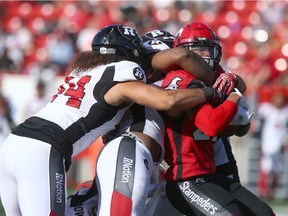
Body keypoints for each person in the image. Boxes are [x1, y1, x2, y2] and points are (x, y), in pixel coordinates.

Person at [0, 24, 224, 216]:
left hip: (12, 144)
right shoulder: (124, 76)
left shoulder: (84, 71)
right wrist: (212, 91)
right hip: (44, 149)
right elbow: (168, 99)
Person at [161, 21, 275, 216]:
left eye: (208, 50)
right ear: (183, 53)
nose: (205, 55)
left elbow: (237, 82)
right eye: (198, 50)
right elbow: (210, 125)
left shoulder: (210, 74)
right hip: (186, 178)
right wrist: (235, 96)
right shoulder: (181, 78)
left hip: (209, 173)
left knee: (263, 213)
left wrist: (233, 80)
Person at [254, 88, 288, 199]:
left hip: (279, 145)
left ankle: (272, 192)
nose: (278, 100)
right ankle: (263, 192)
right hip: (267, 144)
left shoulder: (286, 112)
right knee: (265, 167)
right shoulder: (267, 110)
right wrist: (259, 141)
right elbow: (259, 126)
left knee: (277, 168)